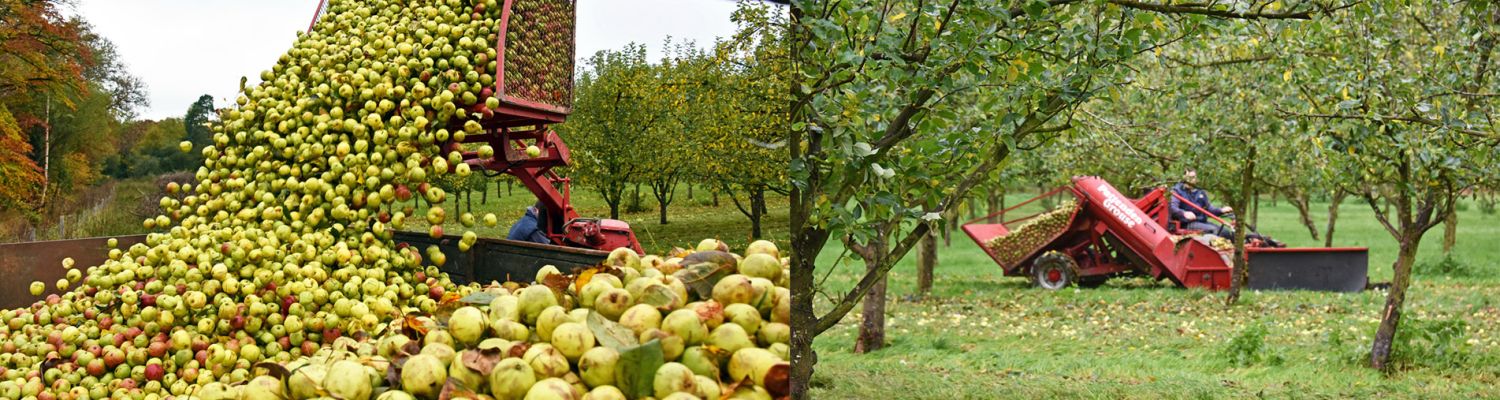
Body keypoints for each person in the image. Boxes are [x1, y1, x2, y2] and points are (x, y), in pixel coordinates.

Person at [1168, 169, 1236, 238]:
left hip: (1202, 221)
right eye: (1189, 177)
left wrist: (1221, 210)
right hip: (1187, 223)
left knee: (1225, 232)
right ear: (1184, 177)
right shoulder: (1177, 191)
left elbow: (1209, 209)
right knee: (1214, 231)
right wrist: (1184, 213)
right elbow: (1173, 207)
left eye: (1193, 177)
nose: (1191, 180)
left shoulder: (1200, 192)